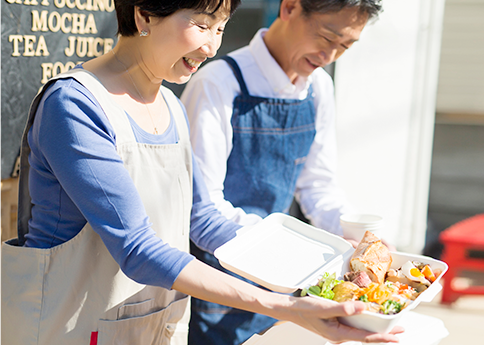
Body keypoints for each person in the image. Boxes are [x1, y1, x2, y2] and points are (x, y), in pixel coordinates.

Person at [0, 0, 403, 344]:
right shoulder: (75, 104)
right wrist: (291, 305)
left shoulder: (171, 106)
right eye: (202, 24)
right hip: (72, 327)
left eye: (222, 28)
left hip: (153, 325)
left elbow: (195, 219)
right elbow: (138, 248)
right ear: (143, 16)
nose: (212, 46)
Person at [181, 0, 386, 344]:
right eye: (327, 36)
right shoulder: (217, 83)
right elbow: (200, 212)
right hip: (214, 285)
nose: (330, 55)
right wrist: (292, 250)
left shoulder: (318, 87)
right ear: (290, 7)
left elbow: (318, 186)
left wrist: (365, 242)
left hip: (280, 281)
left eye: (346, 46)